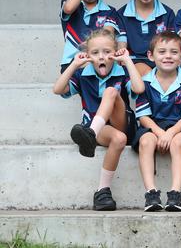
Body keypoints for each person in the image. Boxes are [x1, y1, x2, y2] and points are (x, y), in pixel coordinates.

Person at [53, 28, 144, 210]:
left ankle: (90, 134)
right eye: (95, 53)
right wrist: (73, 65)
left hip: (122, 122)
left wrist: (127, 60)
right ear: (87, 55)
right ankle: (102, 192)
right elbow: (58, 89)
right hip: (107, 131)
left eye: (107, 52)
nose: (101, 57)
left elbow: (139, 88)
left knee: (111, 91)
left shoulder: (121, 71)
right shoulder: (83, 74)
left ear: (115, 53)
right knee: (119, 139)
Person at [132, 31, 181, 212]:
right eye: (162, 52)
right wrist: (160, 133)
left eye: (173, 52)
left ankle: (175, 194)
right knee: (146, 141)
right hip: (153, 126)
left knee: (178, 142)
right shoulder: (145, 83)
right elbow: (143, 116)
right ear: (150, 56)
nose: (168, 56)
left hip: (180, 127)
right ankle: (151, 193)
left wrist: (170, 133)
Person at [59, 0, 121, 73]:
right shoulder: (69, 2)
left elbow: (107, 35)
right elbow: (68, 8)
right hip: (72, 65)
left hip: (100, 64)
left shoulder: (110, 11)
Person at [117, 0, 176, 76]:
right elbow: (121, 51)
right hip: (132, 65)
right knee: (147, 73)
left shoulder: (167, 13)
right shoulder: (121, 14)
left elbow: (171, 46)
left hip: (162, 64)